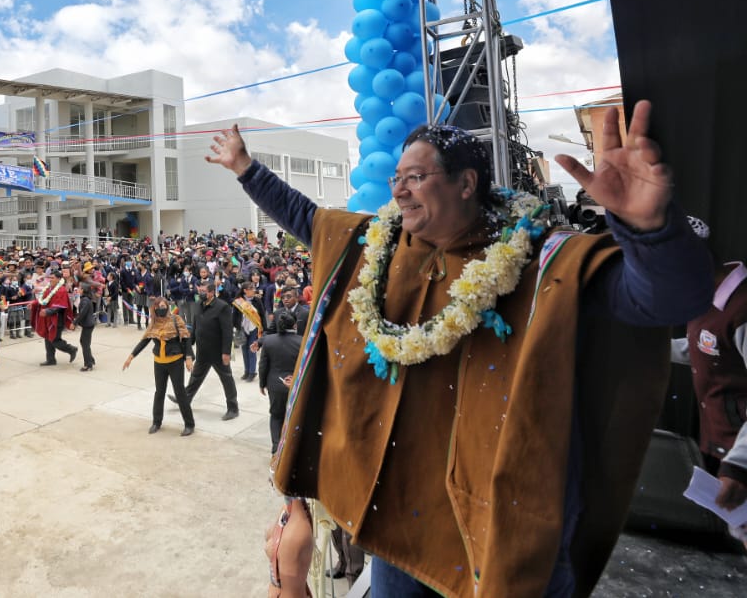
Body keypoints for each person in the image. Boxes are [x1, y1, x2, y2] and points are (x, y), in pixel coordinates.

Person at [206, 102, 713, 596]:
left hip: (500, 536)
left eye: (415, 177)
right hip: (397, 528)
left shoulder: (544, 259)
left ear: (466, 183)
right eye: (396, 179)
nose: (399, 190)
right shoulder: (377, 245)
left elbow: (669, 301)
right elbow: (308, 219)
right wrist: (245, 169)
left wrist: (650, 232)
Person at [672, 249, 747, 544]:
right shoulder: (709, 297)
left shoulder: (742, 310)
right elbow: (707, 348)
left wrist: (740, 466)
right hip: (726, 450)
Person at [122, 296, 195, 436]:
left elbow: (186, 338)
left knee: (180, 393)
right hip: (159, 362)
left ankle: (189, 424)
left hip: (175, 361)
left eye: (164, 306)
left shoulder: (176, 319)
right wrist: (131, 357)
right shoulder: (153, 323)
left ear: (167, 306)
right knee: (159, 392)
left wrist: (188, 357)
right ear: (154, 308)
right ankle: (156, 422)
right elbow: (145, 341)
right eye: (158, 306)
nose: (161, 308)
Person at [176, 279, 238, 420]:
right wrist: (188, 345)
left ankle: (233, 408)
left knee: (226, 379)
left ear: (211, 292)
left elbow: (227, 331)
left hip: (218, 352)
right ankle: (185, 399)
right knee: (196, 377)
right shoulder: (199, 305)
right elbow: (195, 327)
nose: (201, 294)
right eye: (200, 291)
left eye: (203, 292)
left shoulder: (222, 307)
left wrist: (226, 352)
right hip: (202, 351)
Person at [257, 310, 302, 453]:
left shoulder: (269, 341)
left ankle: (276, 448)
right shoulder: (302, 342)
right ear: (295, 325)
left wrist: (262, 383)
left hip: (275, 385)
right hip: (296, 385)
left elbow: (263, 365)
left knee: (276, 416)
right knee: (295, 417)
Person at [34, 269, 77, 366]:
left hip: (57, 319)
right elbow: (42, 300)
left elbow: (60, 306)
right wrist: (33, 304)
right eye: (50, 277)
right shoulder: (48, 288)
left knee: (54, 340)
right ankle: (51, 359)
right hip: (47, 318)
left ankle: (71, 349)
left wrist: (47, 311)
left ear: (58, 279)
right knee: (47, 339)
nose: (50, 279)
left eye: (52, 278)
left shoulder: (61, 290)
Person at [233, 283, 264, 382]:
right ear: (245, 290)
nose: (254, 290)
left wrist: (265, 329)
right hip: (242, 328)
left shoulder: (257, 300)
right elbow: (234, 316)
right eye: (251, 288)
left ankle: (252, 372)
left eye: (254, 288)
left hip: (254, 328)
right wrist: (236, 327)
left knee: (252, 349)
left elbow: (262, 315)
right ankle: (246, 371)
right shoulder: (238, 301)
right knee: (244, 350)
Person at [74, 281, 97, 371]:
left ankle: (88, 365)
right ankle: (90, 359)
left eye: (79, 288)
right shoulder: (84, 299)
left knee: (85, 344)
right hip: (88, 324)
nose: (78, 289)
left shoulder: (85, 300)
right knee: (83, 342)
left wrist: (74, 323)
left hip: (88, 325)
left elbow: (82, 314)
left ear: (83, 290)